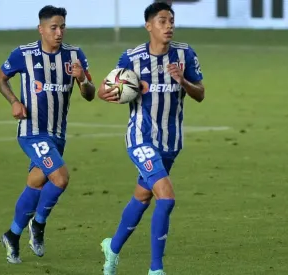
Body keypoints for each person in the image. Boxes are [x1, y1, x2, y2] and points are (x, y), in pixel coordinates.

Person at [97, 2, 204, 274]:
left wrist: (183, 81)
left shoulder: (185, 54)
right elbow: (107, 88)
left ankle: (113, 247)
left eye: (171, 21)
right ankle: (156, 269)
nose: (168, 26)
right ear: (149, 26)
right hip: (140, 138)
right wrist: (107, 93)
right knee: (166, 199)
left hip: (171, 143)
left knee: (143, 198)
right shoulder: (131, 58)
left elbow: (200, 93)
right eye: (162, 21)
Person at [0, 5, 95, 264]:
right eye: (53, 27)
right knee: (60, 179)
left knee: (36, 183)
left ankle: (12, 235)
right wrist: (14, 102)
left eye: (62, 27)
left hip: (57, 135)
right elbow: (0, 79)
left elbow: (90, 94)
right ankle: (38, 224)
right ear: (41, 29)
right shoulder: (23, 54)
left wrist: (82, 79)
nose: (59, 32)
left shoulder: (74, 56)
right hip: (31, 133)